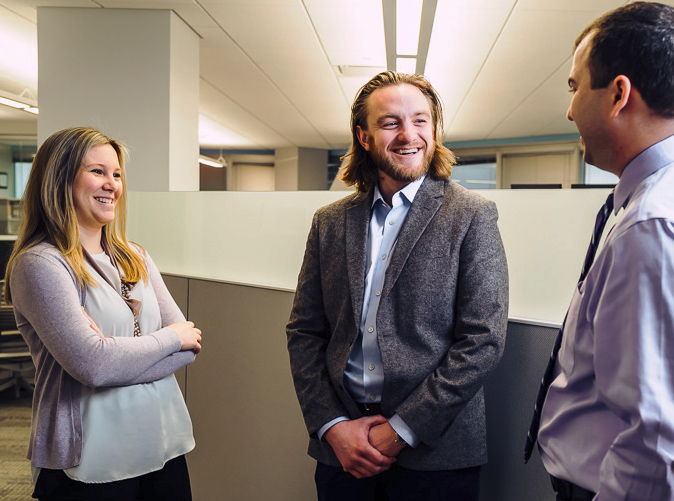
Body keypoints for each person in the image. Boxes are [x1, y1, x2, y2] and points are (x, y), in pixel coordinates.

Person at [286, 71, 508, 500]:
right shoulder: (330, 222)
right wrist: (332, 426)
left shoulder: (472, 216)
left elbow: (483, 340)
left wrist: (402, 429)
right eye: (391, 122)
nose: (410, 135)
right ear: (364, 137)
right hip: (343, 452)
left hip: (435, 454)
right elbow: (304, 332)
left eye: (421, 120)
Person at [4, 126, 203, 500]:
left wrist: (114, 353)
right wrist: (168, 339)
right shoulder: (41, 264)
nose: (111, 183)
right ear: (59, 177)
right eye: (97, 171)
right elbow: (93, 365)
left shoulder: (135, 256)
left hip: (161, 444)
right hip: (90, 459)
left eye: (116, 174)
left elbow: (188, 348)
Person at [528, 3, 674, 499]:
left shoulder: (651, 223)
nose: (569, 111)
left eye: (574, 87)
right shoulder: (643, 201)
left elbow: (657, 439)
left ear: (617, 95)